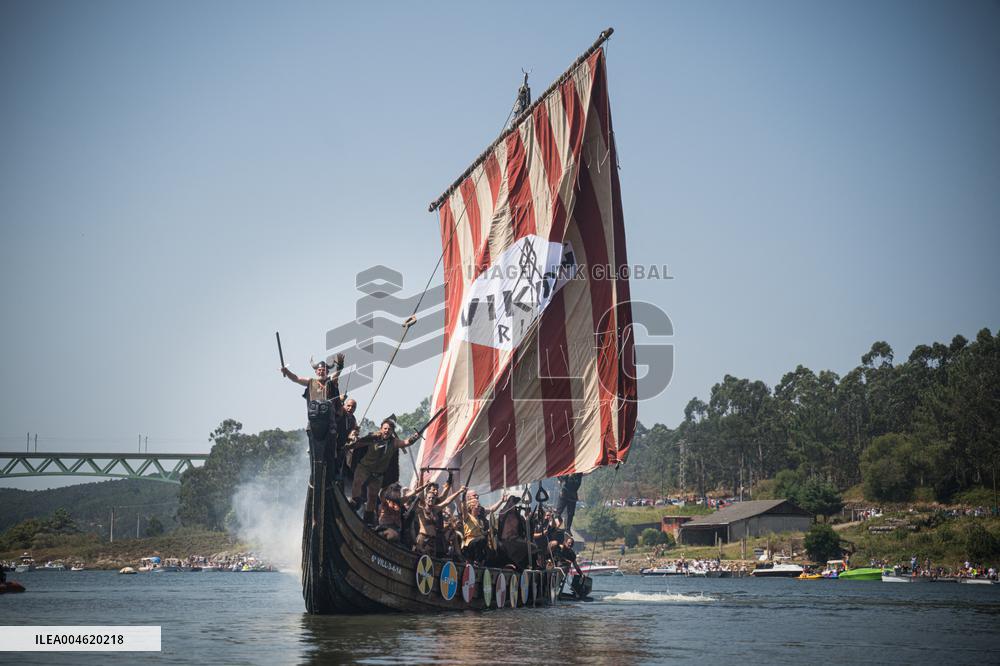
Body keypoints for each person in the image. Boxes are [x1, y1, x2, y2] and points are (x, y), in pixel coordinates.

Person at [347, 419, 418, 524]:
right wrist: (349, 444)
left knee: (372, 497)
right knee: (357, 482)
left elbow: (405, 442)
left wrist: (413, 438)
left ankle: (368, 520)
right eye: (385, 428)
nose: (387, 431)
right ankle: (354, 503)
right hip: (364, 468)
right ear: (381, 429)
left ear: (392, 431)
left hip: (378, 474)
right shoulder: (373, 437)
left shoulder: (394, 442)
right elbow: (358, 444)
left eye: (389, 429)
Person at [281, 354, 345, 466]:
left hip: (329, 419)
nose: (321, 372)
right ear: (316, 372)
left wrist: (340, 366)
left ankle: (332, 452)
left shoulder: (331, 381)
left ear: (327, 372)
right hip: (314, 418)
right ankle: (311, 447)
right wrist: (286, 371)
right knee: (311, 429)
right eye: (319, 370)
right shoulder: (310, 382)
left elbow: (337, 373)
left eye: (323, 370)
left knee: (333, 435)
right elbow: (296, 379)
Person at [413, 482, 465, 556]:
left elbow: (447, 501)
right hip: (423, 539)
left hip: (433, 541)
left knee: (431, 562)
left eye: (433, 498)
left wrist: (459, 491)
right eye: (429, 498)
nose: (431, 499)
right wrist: (423, 487)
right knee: (419, 560)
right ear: (425, 499)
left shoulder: (435, 509)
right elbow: (417, 498)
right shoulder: (421, 510)